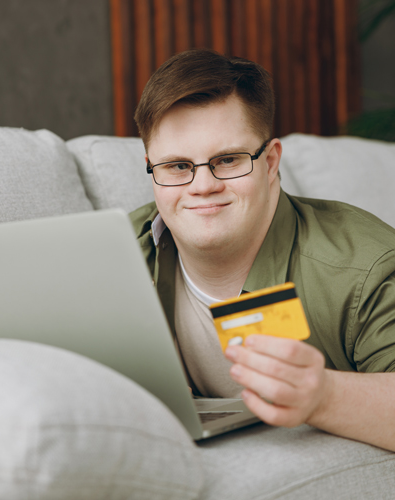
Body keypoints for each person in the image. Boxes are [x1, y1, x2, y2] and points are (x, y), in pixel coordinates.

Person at [131, 48, 395, 451]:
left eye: (228, 160)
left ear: (270, 163)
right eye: (178, 166)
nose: (202, 186)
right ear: (152, 168)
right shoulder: (119, 251)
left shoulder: (367, 267)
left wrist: (324, 395)